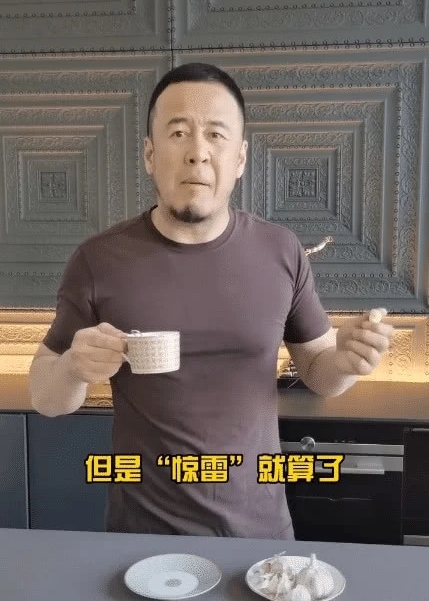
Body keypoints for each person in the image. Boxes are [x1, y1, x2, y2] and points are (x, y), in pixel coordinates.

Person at [29, 62, 393, 539]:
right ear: (150, 154)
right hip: (142, 537)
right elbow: (45, 396)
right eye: (178, 133)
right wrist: (74, 367)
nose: (197, 153)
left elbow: (320, 371)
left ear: (239, 158)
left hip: (260, 533)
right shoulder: (97, 260)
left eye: (216, 135)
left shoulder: (280, 250)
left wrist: (346, 361)